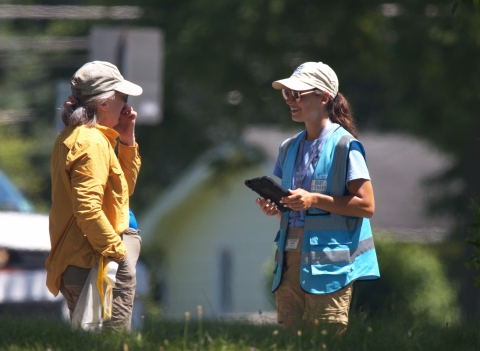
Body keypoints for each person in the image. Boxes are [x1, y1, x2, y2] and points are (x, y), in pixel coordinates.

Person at [256, 62, 380, 334]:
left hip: (329, 264)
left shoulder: (346, 145)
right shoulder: (287, 148)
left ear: (324, 97)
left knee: (325, 340)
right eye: (286, 94)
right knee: (292, 341)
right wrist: (277, 208)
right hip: (289, 258)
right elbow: (295, 210)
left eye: (297, 94)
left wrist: (313, 200)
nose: (290, 100)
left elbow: (367, 206)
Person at [46, 61, 143, 332]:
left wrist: (126, 140)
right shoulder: (90, 143)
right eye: (122, 97)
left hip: (95, 255)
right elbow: (88, 210)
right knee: (109, 342)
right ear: (104, 102)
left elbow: (123, 191)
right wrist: (117, 253)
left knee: (96, 340)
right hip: (96, 259)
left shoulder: (91, 138)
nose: (126, 105)